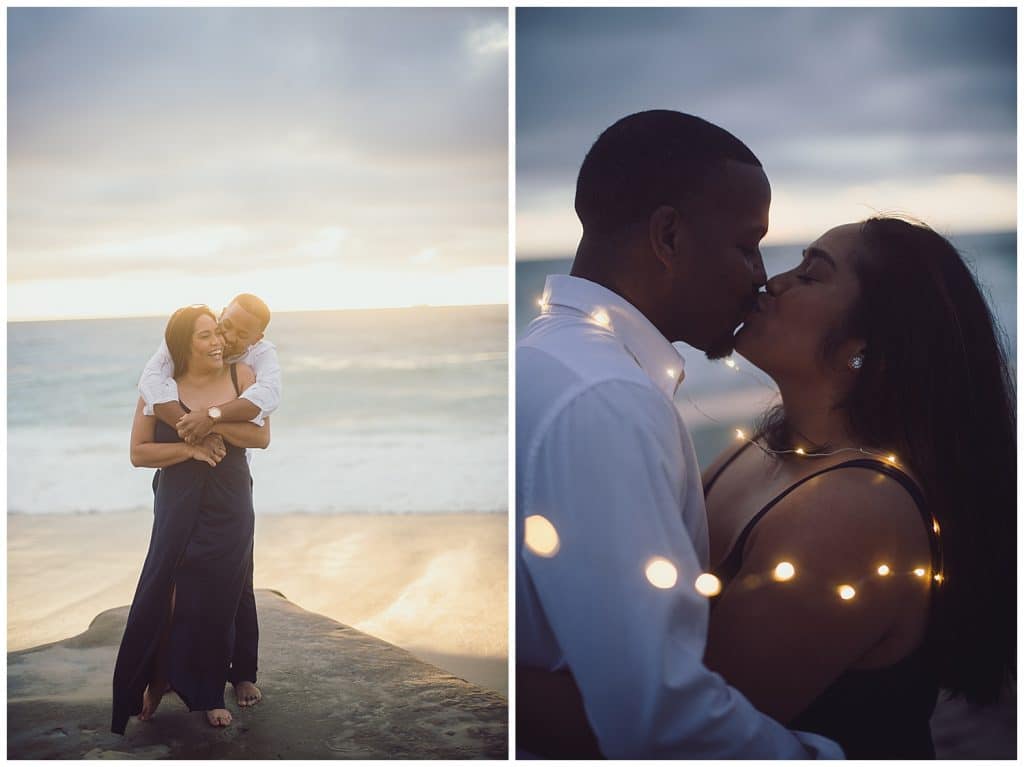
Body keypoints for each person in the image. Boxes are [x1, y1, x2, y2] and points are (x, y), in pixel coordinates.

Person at [520, 218, 1017, 757]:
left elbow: (672, 729)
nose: (772, 282)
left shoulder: (857, 511)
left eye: (810, 275)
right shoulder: (761, 450)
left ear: (862, 347)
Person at [516, 110, 842, 758]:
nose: (759, 275)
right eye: (747, 244)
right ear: (668, 235)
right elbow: (658, 719)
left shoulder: (551, 357)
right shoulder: (611, 398)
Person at [113, 305, 270, 733]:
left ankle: (218, 686)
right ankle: (158, 678)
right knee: (167, 589)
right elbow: (138, 453)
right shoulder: (158, 388)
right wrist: (190, 448)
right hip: (177, 497)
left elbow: (261, 436)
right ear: (183, 343)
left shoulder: (242, 378)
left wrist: (213, 425)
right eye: (204, 336)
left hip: (230, 496)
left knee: (228, 585)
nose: (217, 341)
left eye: (216, 333)